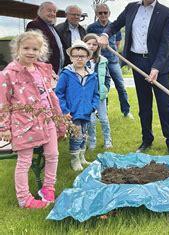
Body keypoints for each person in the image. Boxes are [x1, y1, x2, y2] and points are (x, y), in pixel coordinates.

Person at [98, 0, 169, 155]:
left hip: (160, 65)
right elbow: (115, 25)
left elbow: (165, 44)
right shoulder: (131, 8)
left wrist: (156, 68)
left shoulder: (167, 13)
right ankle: (146, 139)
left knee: (164, 104)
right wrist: (104, 35)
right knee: (144, 104)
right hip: (137, 62)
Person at [0, 31, 65, 208]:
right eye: (26, 48)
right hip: (24, 124)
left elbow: (50, 95)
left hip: (46, 120)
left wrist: (58, 119)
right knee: (24, 161)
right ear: (18, 48)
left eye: (35, 49)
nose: (30, 52)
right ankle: (24, 199)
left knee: (53, 154)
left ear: (40, 50)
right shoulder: (9, 73)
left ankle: (48, 188)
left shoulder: (42, 70)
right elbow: (3, 101)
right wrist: (4, 127)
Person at [55, 40, 99, 171]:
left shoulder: (92, 76)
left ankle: (82, 156)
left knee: (84, 134)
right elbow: (59, 93)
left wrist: (93, 107)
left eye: (82, 56)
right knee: (76, 135)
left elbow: (96, 94)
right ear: (71, 57)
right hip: (72, 112)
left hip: (86, 111)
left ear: (88, 57)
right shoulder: (66, 74)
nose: (79, 58)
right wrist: (64, 110)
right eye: (76, 56)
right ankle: (74, 159)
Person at [87, 3, 133, 119]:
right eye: (100, 13)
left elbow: (117, 43)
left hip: (113, 61)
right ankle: (103, 112)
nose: (103, 15)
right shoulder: (91, 28)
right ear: (97, 14)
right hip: (99, 62)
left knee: (121, 86)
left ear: (109, 13)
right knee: (102, 87)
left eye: (105, 13)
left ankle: (126, 112)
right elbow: (89, 44)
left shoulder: (114, 26)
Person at [83, 33, 112, 150]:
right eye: (88, 43)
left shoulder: (103, 60)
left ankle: (107, 140)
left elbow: (107, 77)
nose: (91, 46)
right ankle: (92, 142)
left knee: (104, 119)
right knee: (91, 120)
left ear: (98, 46)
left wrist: (105, 89)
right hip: (87, 96)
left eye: (94, 44)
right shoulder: (82, 60)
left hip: (100, 95)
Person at [25, 1, 64, 74]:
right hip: (44, 71)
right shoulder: (34, 25)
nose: (52, 14)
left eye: (54, 12)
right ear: (40, 11)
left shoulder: (53, 28)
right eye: (49, 11)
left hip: (57, 71)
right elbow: (34, 50)